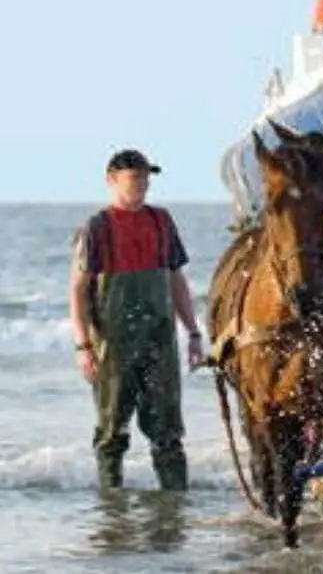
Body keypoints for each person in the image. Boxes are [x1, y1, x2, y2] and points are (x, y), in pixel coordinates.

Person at [69, 149, 207, 491]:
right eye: (135, 179)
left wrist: (192, 333)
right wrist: (83, 346)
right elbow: (77, 291)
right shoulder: (96, 227)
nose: (142, 185)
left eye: (146, 178)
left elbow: (176, 280)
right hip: (113, 345)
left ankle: (175, 505)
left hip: (159, 341)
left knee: (168, 431)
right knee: (112, 431)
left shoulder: (161, 221)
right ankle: (112, 505)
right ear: (111, 180)